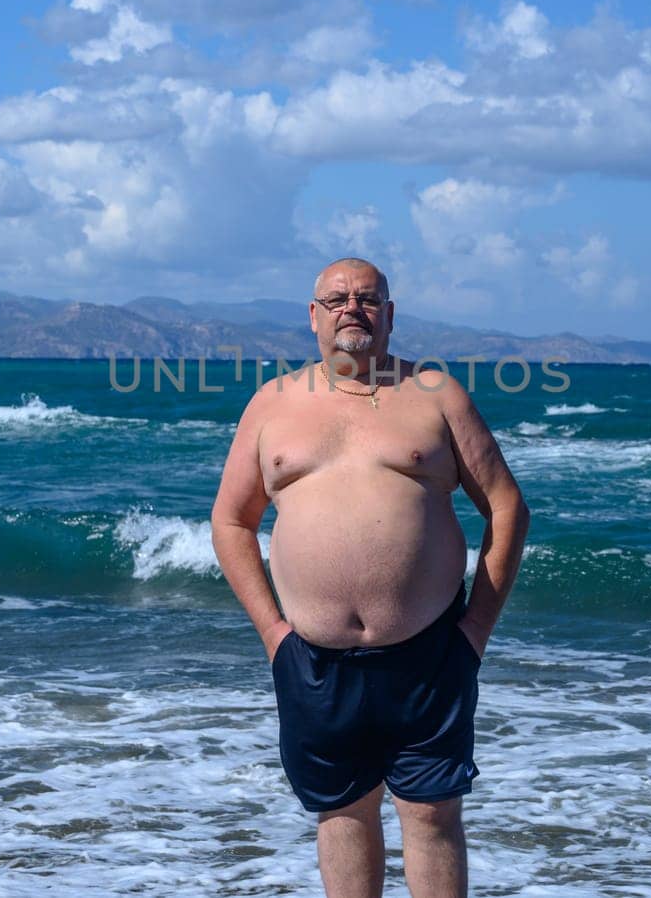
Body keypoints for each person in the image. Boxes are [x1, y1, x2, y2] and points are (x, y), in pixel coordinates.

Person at [211, 257, 530, 898]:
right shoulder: (271, 404)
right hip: (314, 661)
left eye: (367, 298)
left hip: (431, 655)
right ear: (312, 316)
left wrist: (474, 634)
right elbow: (231, 521)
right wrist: (274, 635)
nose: (351, 309)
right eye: (336, 299)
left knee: (433, 816)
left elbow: (506, 507)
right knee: (343, 815)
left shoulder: (436, 395)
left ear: (389, 313)